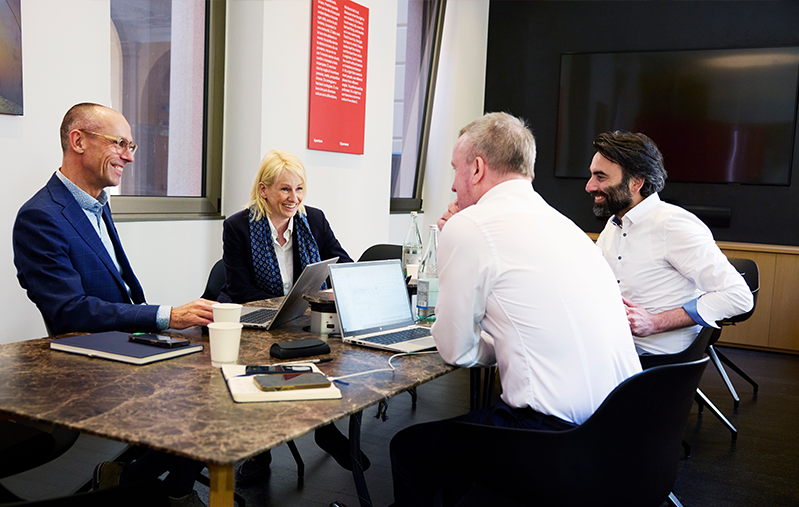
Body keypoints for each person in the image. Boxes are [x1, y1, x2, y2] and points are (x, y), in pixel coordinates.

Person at [389, 113, 642, 507]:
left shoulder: (470, 226)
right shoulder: (568, 228)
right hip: (621, 430)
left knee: (409, 448)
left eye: (455, 170)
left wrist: (500, 345)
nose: (453, 184)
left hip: (553, 438)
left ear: (476, 168)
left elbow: (455, 350)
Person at [12, 103, 215, 506]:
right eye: (120, 143)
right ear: (78, 141)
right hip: (88, 363)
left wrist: (168, 325)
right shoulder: (40, 216)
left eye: (132, 144)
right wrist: (165, 315)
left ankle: (131, 479)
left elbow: (118, 291)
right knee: (204, 403)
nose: (130, 155)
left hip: (128, 343)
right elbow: (69, 311)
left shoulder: (97, 203)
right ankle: (168, 491)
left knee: (214, 386)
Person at [218, 149, 366, 486]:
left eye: (299, 189)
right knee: (263, 363)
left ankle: (323, 425)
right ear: (264, 190)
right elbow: (240, 289)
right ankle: (260, 451)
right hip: (253, 317)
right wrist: (293, 304)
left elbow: (342, 261)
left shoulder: (313, 219)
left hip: (299, 316)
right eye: (285, 189)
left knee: (327, 351)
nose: (293, 198)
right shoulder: (238, 226)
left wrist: (340, 289)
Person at [585, 131, 754, 355]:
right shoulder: (614, 224)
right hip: (616, 353)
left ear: (636, 183)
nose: (589, 186)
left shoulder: (674, 225)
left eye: (601, 177)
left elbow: (738, 296)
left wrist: (656, 322)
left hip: (657, 365)